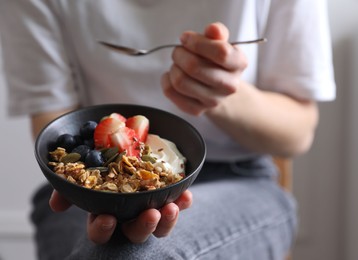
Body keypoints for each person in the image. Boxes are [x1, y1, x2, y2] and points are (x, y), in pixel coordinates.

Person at [0, 0, 336, 259]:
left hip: (239, 179)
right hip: (89, 190)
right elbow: (57, 129)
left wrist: (220, 95)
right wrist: (90, 188)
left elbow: (298, 132)